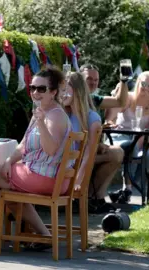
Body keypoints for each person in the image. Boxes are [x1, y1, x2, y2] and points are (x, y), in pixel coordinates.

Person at [0, 67, 72, 251]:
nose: (35, 93)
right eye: (32, 88)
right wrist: (8, 161)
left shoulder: (56, 116)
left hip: (48, 178)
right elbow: (23, 145)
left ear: (53, 92)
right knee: (7, 187)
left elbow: (51, 149)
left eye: (41, 89)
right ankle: (44, 235)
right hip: (39, 173)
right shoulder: (41, 111)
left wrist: (41, 124)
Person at [58, 72, 116, 212]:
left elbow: (89, 155)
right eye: (61, 90)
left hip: (69, 169)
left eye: (65, 89)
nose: (61, 93)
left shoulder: (92, 118)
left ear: (77, 91)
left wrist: (78, 180)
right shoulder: (60, 113)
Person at [105, 71, 149, 204]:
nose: (146, 87)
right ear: (138, 84)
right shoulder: (128, 99)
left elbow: (147, 131)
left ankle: (127, 190)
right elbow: (109, 118)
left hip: (139, 140)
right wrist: (111, 123)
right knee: (131, 147)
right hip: (119, 137)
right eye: (143, 83)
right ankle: (128, 189)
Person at [80, 64, 127, 211]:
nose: (93, 82)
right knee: (113, 154)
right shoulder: (70, 99)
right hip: (75, 154)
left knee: (117, 153)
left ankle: (97, 197)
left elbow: (120, 102)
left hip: (89, 151)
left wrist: (124, 81)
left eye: (96, 79)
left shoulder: (94, 99)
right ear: (80, 80)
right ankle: (89, 198)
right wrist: (95, 144)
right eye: (89, 79)